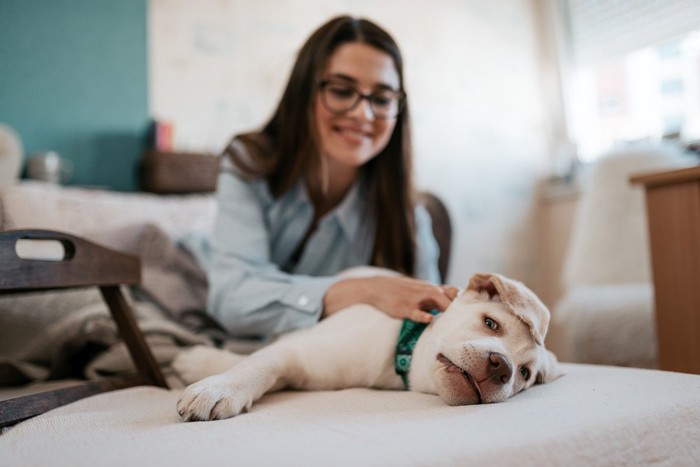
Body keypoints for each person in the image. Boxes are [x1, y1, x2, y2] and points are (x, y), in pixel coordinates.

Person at [207, 15, 458, 339]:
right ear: (303, 93)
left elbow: (432, 321)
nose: (362, 114)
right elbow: (232, 299)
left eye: (382, 99)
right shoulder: (249, 162)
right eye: (342, 91)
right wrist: (361, 291)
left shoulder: (408, 216)